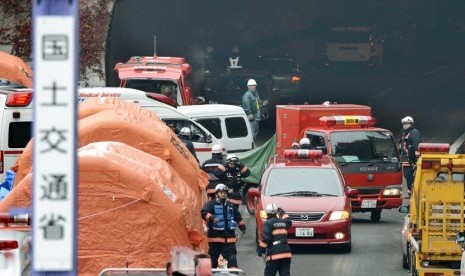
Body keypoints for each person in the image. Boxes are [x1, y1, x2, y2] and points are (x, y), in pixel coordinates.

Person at [201, 183, 246, 269]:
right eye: (221, 192)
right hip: (215, 240)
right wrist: (212, 217)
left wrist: (243, 227)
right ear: (217, 193)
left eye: (225, 193)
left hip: (229, 240)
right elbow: (204, 213)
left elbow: (238, 217)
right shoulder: (211, 204)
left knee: (232, 261)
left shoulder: (231, 205)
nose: (223, 194)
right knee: (212, 263)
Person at [258, 203, 292, 276]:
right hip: (286, 253)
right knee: (285, 274)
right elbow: (289, 221)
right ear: (276, 212)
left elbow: (267, 239)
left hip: (274, 255)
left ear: (267, 213)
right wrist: (282, 211)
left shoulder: (268, 223)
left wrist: (260, 250)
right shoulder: (284, 222)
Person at [398, 116, 421, 198]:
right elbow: (401, 146)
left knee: (410, 176)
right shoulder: (404, 133)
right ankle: (410, 192)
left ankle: (413, 193)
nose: (405, 125)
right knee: (407, 176)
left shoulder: (414, 133)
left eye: (407, 123)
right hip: (405, 160)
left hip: (412, 160)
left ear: (411, 124)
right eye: (404, 123)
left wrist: (414, 159)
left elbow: (417, 146)